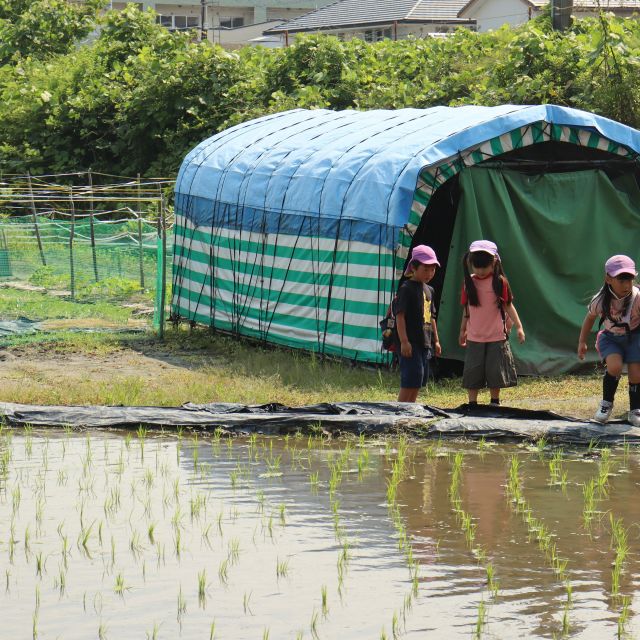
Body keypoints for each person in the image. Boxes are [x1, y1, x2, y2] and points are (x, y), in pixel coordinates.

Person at [459, 240, 525, 406]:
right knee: (473, 371)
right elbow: (466, 310)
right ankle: (472, 404)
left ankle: (494, 402)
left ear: (494, 262)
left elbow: (508, 306)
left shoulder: (500, 282)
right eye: (476, 266)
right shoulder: (469, 283)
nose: (480, 271)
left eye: (484, 266)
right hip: (475, 337)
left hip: (496, 336)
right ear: (470, 263)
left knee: (496, 371)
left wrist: (519, 327)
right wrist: (462, 331)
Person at [577, 255, 640, 426]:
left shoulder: (637, 297)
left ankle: (635, 410)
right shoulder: (600, 300)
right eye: (621, 279)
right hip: (610, 338)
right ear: (608, 278)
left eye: (630, 279)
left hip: (635, 337)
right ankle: (606, 405)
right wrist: (582, 342)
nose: (627, 285)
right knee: (615, 367)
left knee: (636, 373)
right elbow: (589, 319)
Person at [396, 245, 441, 402]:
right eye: (425, 269)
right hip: (411, 342)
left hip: (425, 343)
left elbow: (431, 317)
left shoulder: (430, 290)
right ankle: (399, 412)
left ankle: (410, 410)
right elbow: (400, 316)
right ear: (414, 267)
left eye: (432, 269)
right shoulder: (406, 288)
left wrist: (436, 340)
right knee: (409, 380)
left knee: (418, 379)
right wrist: (404, 341)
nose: (429, 274)